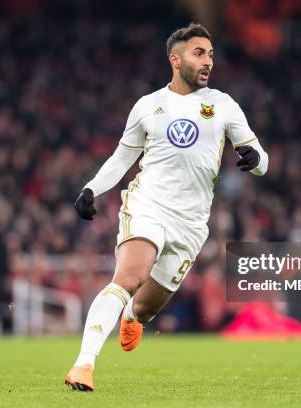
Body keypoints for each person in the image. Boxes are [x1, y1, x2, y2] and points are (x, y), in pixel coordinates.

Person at [65, 23, 268, 391]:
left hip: (191, 225)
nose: (208, 61)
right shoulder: (148, 106)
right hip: (149, 205)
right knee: (128, 277)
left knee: (144, 308)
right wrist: (91, 188)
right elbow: (121, 157)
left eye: (210, 54)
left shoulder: (223, 105)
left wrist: (254, 157)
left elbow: (262, 160)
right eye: (198, 53)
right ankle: (83, 365)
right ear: (175, 59)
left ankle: (131, 315)